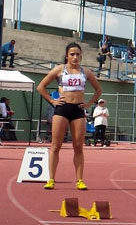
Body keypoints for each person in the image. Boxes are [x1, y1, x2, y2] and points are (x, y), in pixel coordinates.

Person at [37, 42, 102, 190]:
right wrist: (53, 100)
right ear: (67, 56)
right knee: (55, 146)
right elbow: (41, 87)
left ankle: (79, 180)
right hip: (62, 109)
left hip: (78, 110)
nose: (75, 57)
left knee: (78, 146)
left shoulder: (86, 72)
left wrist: (89, 103)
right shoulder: (59, 70)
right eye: (72, 54)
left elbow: (98, 90)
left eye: (78, 54)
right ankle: (51, 179)